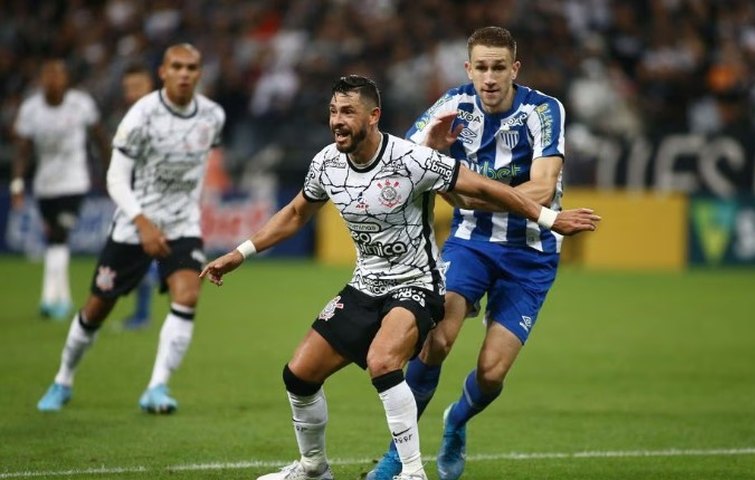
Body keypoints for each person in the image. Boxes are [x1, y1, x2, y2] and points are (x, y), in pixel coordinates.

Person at [200, 75, 598, 480]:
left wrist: (550, 217)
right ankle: (313, 468)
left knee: (384, 361)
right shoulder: (326, 163)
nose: (337, 121)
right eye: (333, 112)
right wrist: (239, 252)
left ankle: (411, 470)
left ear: (373, 116)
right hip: (364, 284)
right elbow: (296, 213)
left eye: (348, 113)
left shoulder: (411, 159)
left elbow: (488, 189)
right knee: (298, 374)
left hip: (417, 284)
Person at [366, 26, 573, 480]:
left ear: (514, 69)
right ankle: (398, 457)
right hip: (471, 243)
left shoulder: (543, 109)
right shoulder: (452, 106)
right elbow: (403, 158)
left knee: (492, 373)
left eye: (499, 67)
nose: (490, 77)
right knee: (435, 338)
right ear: (468, 69)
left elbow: (541, 187)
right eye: (481, 67)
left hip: (531, 255)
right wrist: (432, 151)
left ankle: (456, 421)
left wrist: (466, 192)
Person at [36, 43, 226, 414]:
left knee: (187, 296)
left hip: (181, 223)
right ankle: (63, 379)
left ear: (199, 73)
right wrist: (143, 224)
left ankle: (157, 388)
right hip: (133, 224)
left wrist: (188, 210)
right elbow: (115, 177)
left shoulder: (213, 116)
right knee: (95, 310)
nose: (185, 73)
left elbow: (202, 165)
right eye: (177, 66)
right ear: (164, 72)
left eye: (192, 67)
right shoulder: (142, 115)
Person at [11, 58, 111, 320]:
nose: (53, 79)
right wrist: (18, 183)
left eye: (58, 74)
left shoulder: (81, 104)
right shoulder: (31, 109)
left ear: (66, 79)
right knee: (55, 241)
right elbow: (22, 150)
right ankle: (59, 296)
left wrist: (110, 173)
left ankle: (52, 299)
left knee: (59, 235)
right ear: (42, 79)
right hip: (45, 186)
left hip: (74, 182)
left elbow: (100, 140)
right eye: (48, 74)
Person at [116, 63, 158, 331]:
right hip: (133, 197)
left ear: (150, 86)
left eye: (138, 87)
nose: (133, 93)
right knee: (136, 257)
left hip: (157, 199)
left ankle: (142, 314)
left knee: (139, 256)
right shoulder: (128, 121)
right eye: (128, 88)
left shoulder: (157, 119)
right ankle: (141, 312)